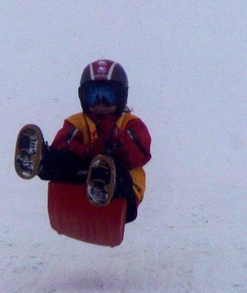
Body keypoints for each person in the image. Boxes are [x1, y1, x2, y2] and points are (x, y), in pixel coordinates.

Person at [15, 59, 152, 221]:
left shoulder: (130, 124)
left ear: (121, 96)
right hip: (80, 184)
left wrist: (114, 140)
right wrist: (89, 152)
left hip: (123, 196)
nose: (101, 103)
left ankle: (103, 182)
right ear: (83, 97)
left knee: (110, 167)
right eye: (94, 96)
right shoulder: (78, 122)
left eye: (108, 96)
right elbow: (63, 145)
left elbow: (139, 153)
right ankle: (41, 160)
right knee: (67, 161)